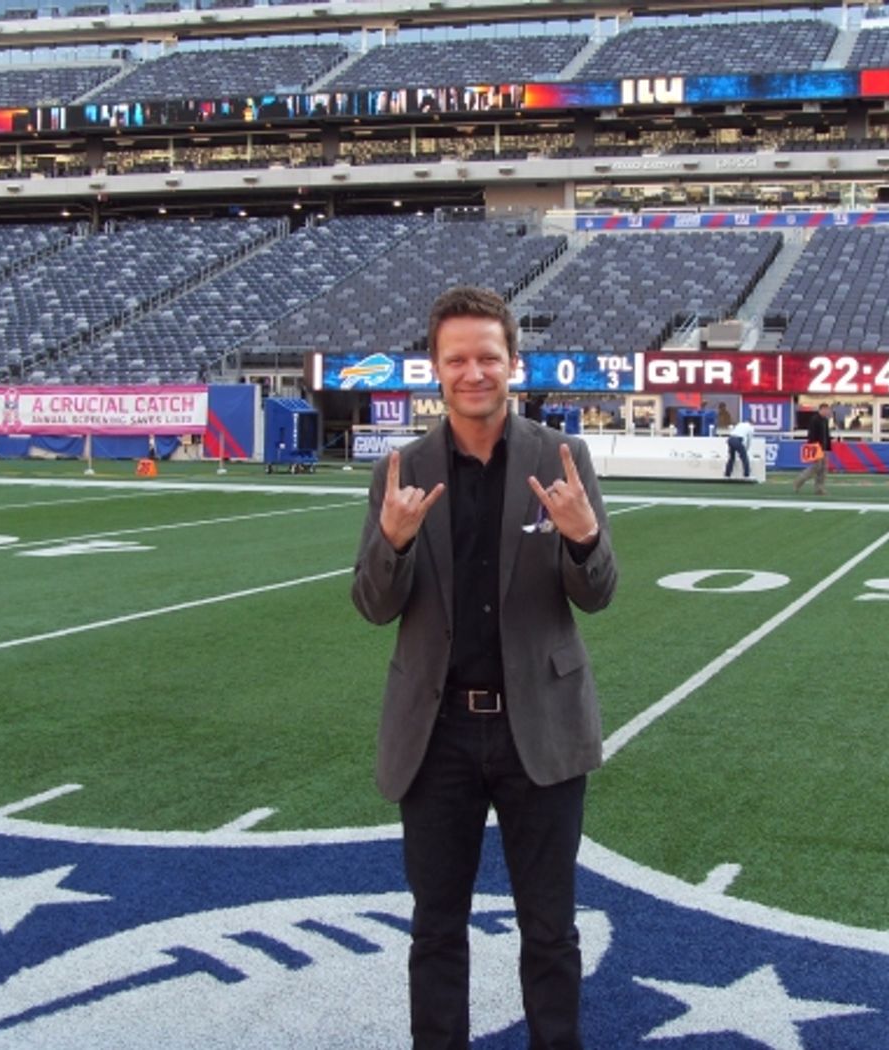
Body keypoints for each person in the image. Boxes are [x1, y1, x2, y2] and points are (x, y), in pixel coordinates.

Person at [352, 285, 618, 1050]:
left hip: (540, 723)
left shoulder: (561, 457)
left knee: (550, 928)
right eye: (457, 359)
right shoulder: (400, 469)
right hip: (435, 735)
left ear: (514, 363)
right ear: (433, 370)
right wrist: (393, 543)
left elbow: (598, 594)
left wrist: (581, 537)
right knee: (436, 929)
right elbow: (372, 605)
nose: (474, 372)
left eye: (488, 357)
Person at [793, 402, 833, 495]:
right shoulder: (815, 420)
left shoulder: (825, 420)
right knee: (816, 467)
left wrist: (828, 447)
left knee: (823, 470)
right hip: (816, 447)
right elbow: (811, 435)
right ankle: (799, 481)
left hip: (824, 448)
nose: (828, 412)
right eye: (826, 410)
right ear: (822, 409)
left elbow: (826, 435)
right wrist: (813, 448)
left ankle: (819, 488)